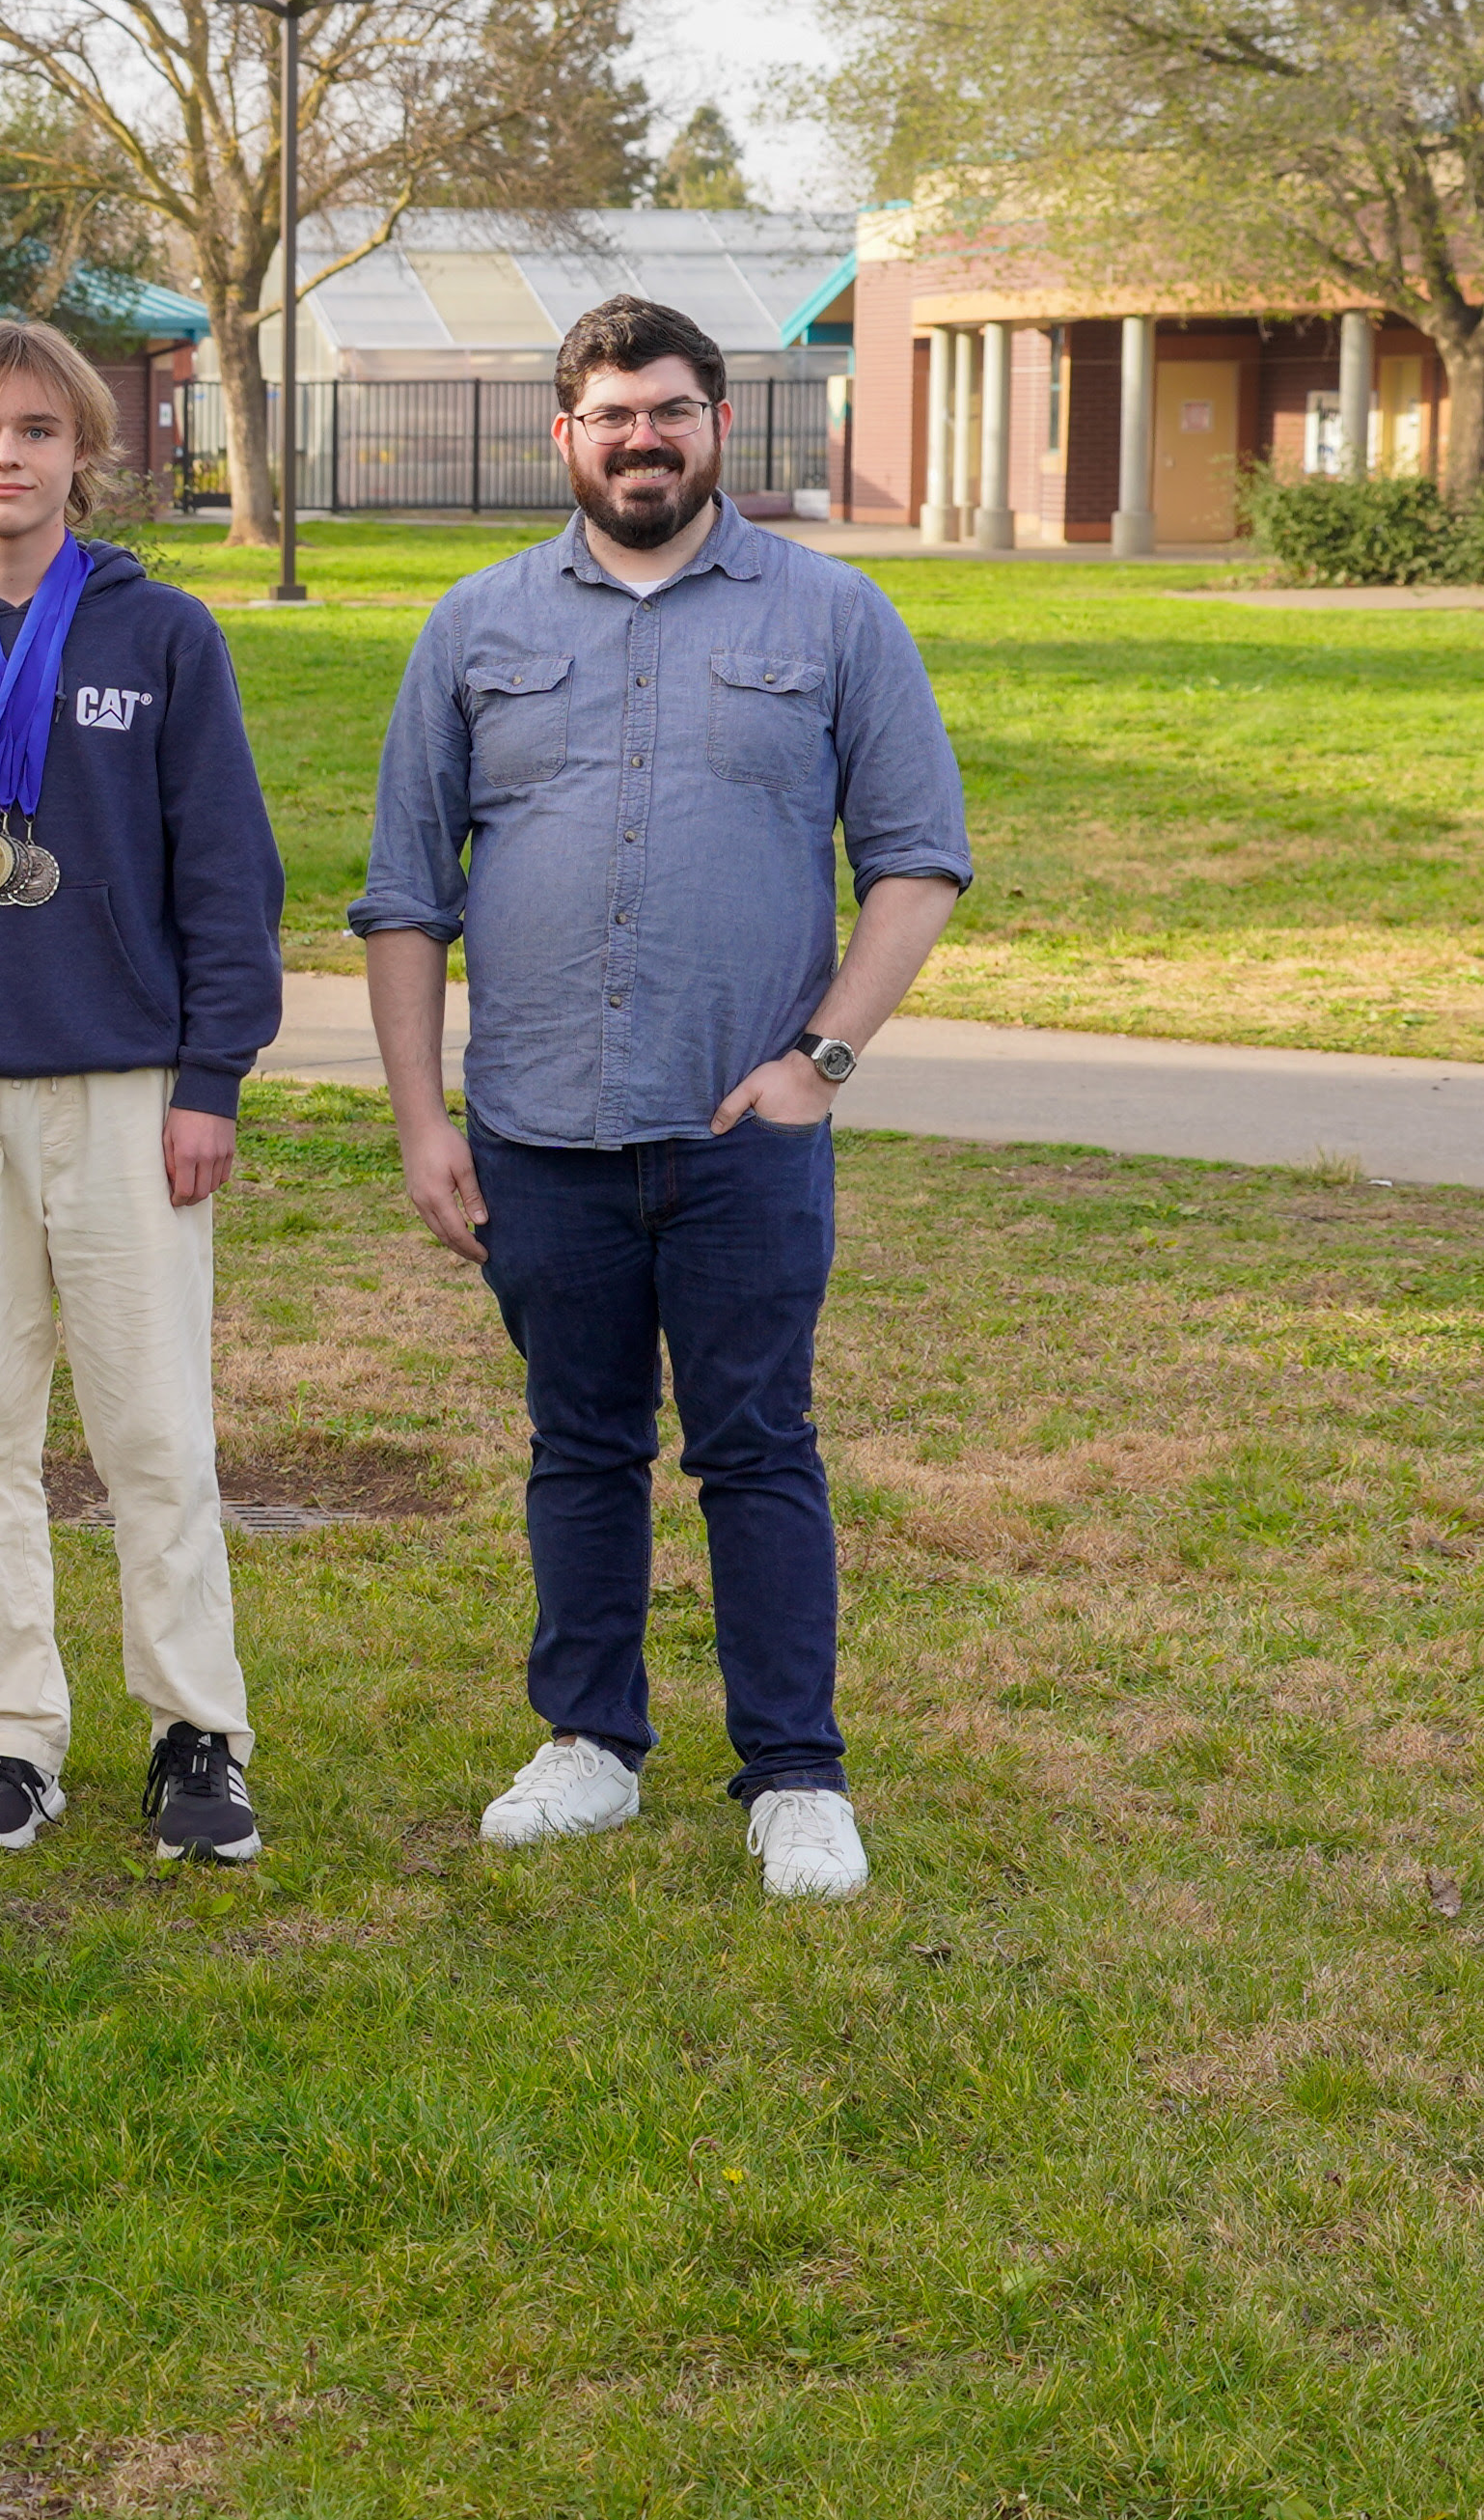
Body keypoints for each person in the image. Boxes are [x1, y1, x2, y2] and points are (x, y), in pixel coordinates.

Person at [355, 291, 969, 1903]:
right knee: (579, 1441)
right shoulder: (473, 629)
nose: (643, 436)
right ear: (565, 435)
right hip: (538, 1133)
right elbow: (407, 895)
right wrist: (425, 1121)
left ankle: (795, 1772)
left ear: (719, 425)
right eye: (612, 413)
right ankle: (591, 1743)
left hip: (742, 1137)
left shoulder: (835, 617)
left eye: (672, 409)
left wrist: (817, 1066)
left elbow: (917, 863)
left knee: (759, 1444)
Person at [0, 317, 285, 1866]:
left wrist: (208, 1075)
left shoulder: (163, 640)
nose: (5, 455)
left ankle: (194, 1730)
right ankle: (11, 1734)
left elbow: (224, 874)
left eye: (34, 428)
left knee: (154, 1429)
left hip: (122, 1085)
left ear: (82, 454)